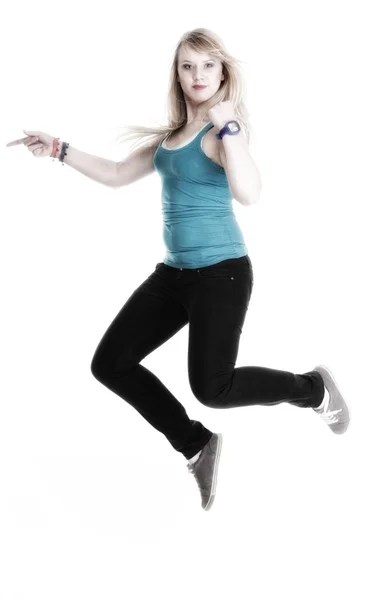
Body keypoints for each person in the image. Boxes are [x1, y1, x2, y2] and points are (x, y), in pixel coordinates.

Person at [6, 28, 350, 511]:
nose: (198, 75)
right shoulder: (171, 139)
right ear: (178, 74)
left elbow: (250, 192)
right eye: (188, 66)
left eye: (208, 65)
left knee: (214, 388)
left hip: (222, 274)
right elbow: (116, 174)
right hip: (174, 276)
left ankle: (311, 388)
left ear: (222, 71)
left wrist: (229, 127)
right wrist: (58, 148)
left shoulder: (222, 133)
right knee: (110, 363)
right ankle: (195, 444)